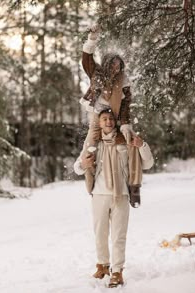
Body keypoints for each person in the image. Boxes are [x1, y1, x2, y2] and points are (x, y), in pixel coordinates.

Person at [74, 109, 154, 288]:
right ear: (99, 123)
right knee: (100, 234)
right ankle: (103, 266)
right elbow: (78, 167)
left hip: (122, 194)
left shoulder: (126, 140)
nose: (108, 121)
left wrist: (141, 145)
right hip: (100, 194)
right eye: (104, 119)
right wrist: (83, 164)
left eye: (111, 118)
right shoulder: (94, 143)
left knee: (119, 235)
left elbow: (148, 164)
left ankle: (117, 271)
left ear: (115, 122)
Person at [80, 24, 142, 204]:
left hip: (115, 120)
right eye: (113, 65)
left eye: (118, 66)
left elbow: (125, 104)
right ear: (108, 64)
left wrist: (124, 125)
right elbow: (87, 59)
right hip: (97, 118)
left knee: (131, 145)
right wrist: (92, 38)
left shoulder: (123, 81)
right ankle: (91, 186)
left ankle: (134, 190)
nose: (116, 68)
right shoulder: (97, 73)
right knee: (90, 148)